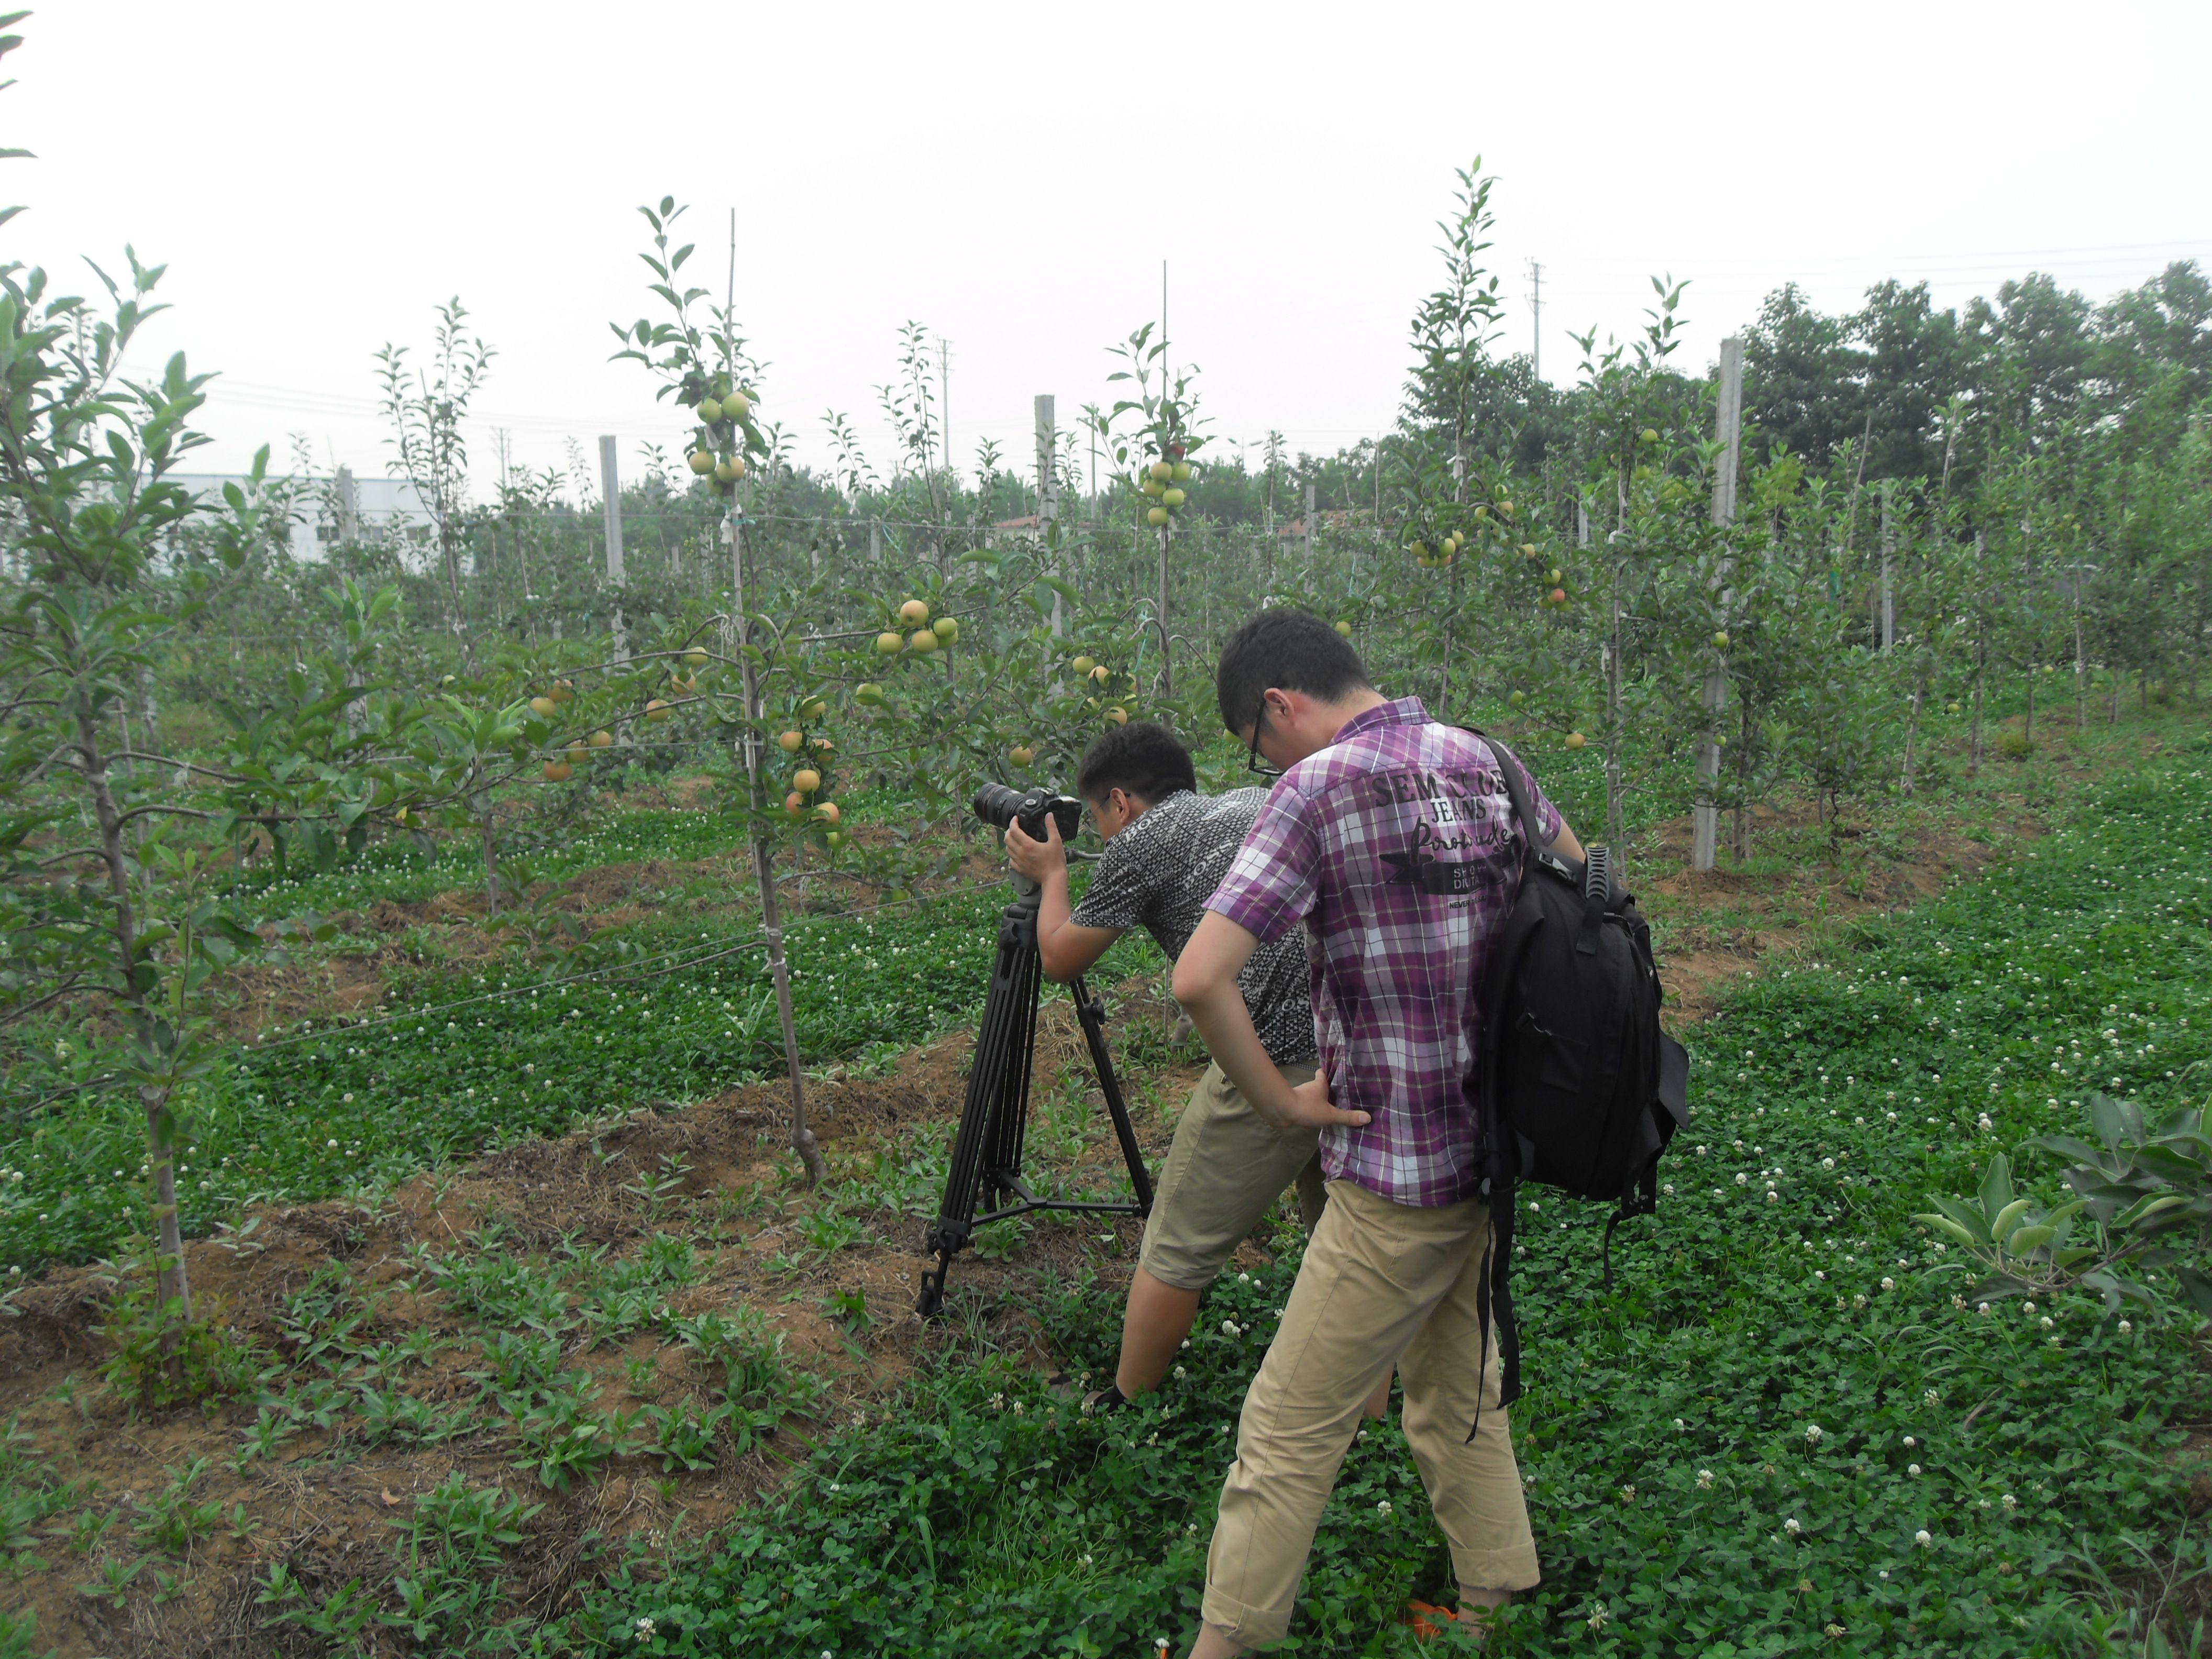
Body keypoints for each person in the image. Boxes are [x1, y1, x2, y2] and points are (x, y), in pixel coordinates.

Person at [1169, 609, 1586, 1656]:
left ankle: (1224, 1647)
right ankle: (1493, 1598)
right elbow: (1587, 889)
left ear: (1279, 706)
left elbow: (1199, 976)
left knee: (1287, 1432)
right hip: (1490, 1153)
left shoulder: (1315, 791)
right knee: (1454, 1388)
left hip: (1395, 1179)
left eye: (1255, 745)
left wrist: (1281, 1104)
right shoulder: (1491, 761)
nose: (1263, 763)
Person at [1004, 720, 1387, 1420]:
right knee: (1343, 1239)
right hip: (1352, 1034)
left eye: (1096, 818)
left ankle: (1124, 1406)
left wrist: (1052, 874)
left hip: (1272, 1051)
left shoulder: (1144, 842)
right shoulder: (1249, 801)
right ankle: (1371, 1417)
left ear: (1119, 801)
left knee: (1177, 1240)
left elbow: (1059, 957)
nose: (1103, 833)